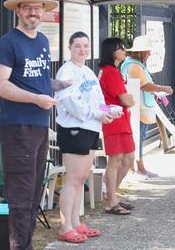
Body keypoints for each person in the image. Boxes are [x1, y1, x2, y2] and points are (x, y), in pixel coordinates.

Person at [0, 0, 68, 250]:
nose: (33, 12)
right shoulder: (8, 42)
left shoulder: (43, 41)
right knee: (21, 194)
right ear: (18, 11)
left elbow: (38, 81)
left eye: (38, 8)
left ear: (43, 12)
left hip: (39, 125)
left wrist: (58, 85)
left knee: (34, 192)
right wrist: (35, 99)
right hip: (17, 126)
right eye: (28, 7)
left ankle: (26, 244)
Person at [54, 31, 113, 243]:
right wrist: (97, 113)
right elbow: (72, 104)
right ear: (70, 48)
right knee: (73, 178)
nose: (82, 50)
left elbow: (98, 98)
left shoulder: (88, 71)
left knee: (81, 178)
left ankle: (77, 223)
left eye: (86, 46)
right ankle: (65, 226)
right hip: (73, 129)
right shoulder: (66, 72)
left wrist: (108, 111)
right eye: (78, 45)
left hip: (91, 128)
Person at [121, 35, 173, 179]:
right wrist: (162, 88)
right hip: (138, 108)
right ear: (141, 52)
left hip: (136, 106)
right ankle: (138, 168)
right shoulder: (135, 66)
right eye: (148, 52)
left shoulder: (130, 64)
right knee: (138, 138)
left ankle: (135, 168)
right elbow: (144, 85)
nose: (150, 54)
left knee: (137, 138)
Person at [98, 37, 136, 215]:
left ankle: (111, 193)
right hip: (114, 119)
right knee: (116, 160)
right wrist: (128, 100)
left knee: (128, 159)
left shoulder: (114, 70)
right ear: (112, 51)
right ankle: (112, 201)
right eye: (121, 48)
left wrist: (128, 100)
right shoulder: (109, 72)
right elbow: (125, 99)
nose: (124, 51)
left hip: (121, 118)